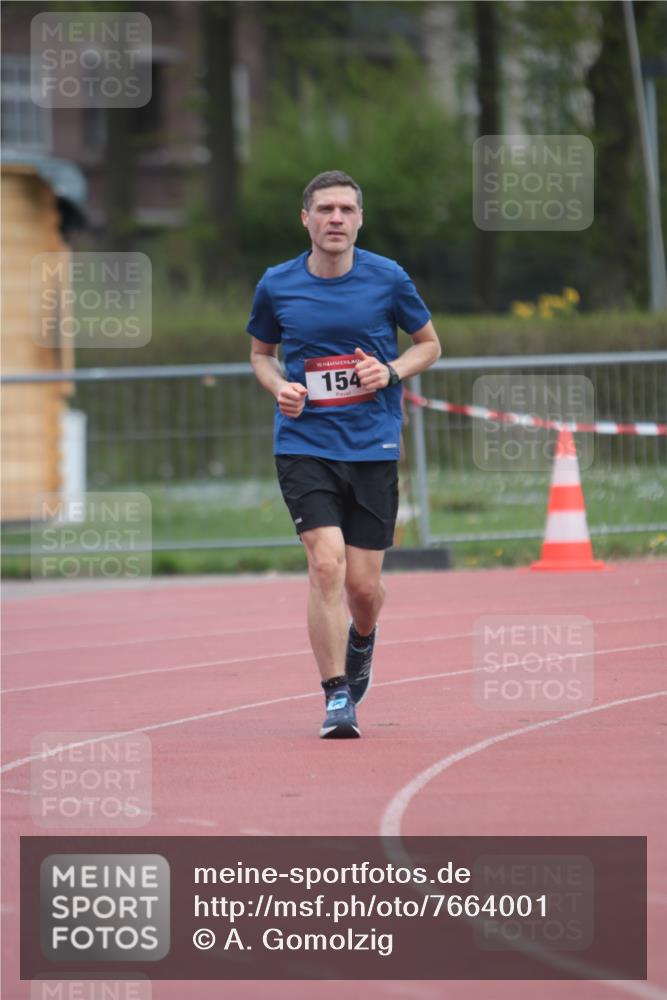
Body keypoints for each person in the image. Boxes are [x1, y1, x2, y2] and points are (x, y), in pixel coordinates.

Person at [247, 170, 441, 739]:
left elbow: (429, 344)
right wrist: (277, 383)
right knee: (324, 562)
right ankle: (336, 697)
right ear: (304, 219)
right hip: (305, 443)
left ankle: (362, 639)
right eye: (325, 209)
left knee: (362, 587)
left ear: (359, 219)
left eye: (346, 210)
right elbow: (261, 354)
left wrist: (391, 370)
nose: (336, 219)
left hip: (372, 445)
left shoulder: (388, 278)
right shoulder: (277, 285)